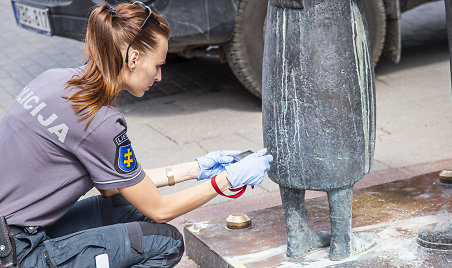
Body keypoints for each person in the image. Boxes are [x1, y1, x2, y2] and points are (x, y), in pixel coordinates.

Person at [0, 2, 272, 267]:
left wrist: (197, 168)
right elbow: (160, 210)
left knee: (131, 211)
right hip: (18, 251)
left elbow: (116, 187)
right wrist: (225, 181)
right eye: (157, 65)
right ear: (134, 58)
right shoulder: (98, 121)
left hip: (16, 229)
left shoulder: (53, 79)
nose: (159, 77)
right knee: (166, 243)